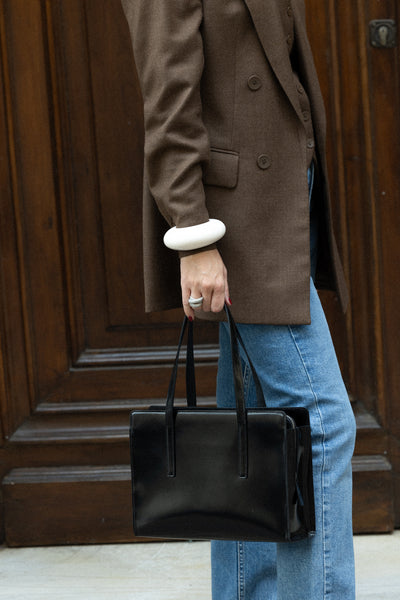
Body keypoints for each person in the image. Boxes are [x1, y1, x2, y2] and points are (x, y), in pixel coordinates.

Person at [120, 1, 357, 598]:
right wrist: (193, 234)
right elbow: (166, 95)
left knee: (253, 441)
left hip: (277, 196)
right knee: (321, 428)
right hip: (236, 220)